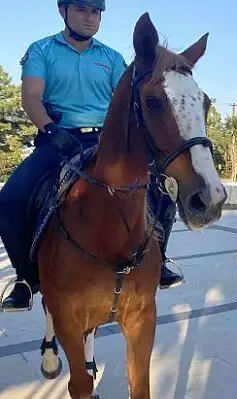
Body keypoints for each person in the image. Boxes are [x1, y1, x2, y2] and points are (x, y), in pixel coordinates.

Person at [0, 0, 183, 312]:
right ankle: (26, 279)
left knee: (163, 192)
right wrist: (49, 129)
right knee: (9, 201)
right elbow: (31, 97)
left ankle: (159, 260)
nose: (89, 18)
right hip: (58, 138)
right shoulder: (41, 49)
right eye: (82, 10)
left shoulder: (111, 57)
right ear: (63, 11)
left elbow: (124, 102)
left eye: (95, 12)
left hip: (106, 141)